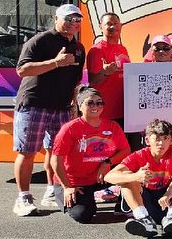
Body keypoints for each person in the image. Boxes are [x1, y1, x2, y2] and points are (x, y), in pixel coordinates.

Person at [11, 3, 87, 217]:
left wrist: (74, 105)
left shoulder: (80, 48)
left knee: (56, 151)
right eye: (69, 18)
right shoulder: (40, 40)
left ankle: (52, 191)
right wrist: (55, 62)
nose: (74, 23)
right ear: (56, 19)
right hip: (34, 103)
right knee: (27, 152)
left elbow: (76, 80)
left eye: (77, 19)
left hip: (62, 107)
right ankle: (23, 198)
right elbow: (22, 70)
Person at [105, 119, 172, 238]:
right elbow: (109, 176)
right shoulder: (139, 155)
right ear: (147, 140)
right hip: (147, 201)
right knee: (127, 178)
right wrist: (136, 176)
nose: (161, 143)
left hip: (169, 200)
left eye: (165, 138)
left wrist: (170, 191)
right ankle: (144, 219)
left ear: (171, 140)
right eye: (157, 139)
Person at [50, 88, 128, 223]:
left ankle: (123, 206)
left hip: (99, 178)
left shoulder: (112, 126)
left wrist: (107, 162)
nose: (95, 106)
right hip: (74, 182)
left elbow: (125, 151)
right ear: (80, 106)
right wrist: (67, 187)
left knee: (133, 170)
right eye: (90, 103)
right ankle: (62, 195)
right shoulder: (69, 129)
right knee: (83, 215)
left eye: (99, 103)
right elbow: (55, 161)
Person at [85, 13, 130, 127]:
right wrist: (105, 73)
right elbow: (93, 81)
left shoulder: (122, 48)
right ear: (100, 27)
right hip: (105, 112)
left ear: (121, 26)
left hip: (124, 110)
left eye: (115, 23)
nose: (112, 27)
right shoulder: (96, 50)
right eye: (108, 24)